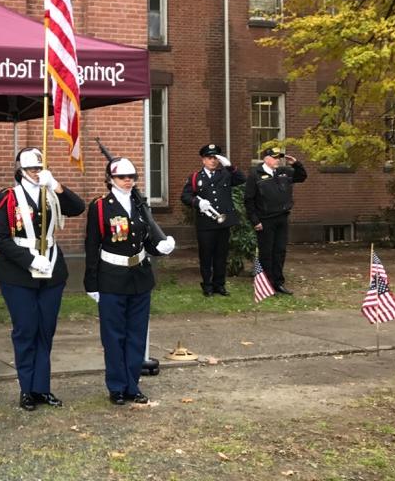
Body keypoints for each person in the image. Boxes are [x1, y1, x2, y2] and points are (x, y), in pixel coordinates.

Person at [0, 147, 85, 411]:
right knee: (26, 330)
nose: (36, 173)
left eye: (39, 168)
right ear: (20, 170)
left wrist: (55, 184)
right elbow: (0, 239)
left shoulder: (49, 193)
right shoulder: (7, 197)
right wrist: (29, 259)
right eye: (31, 169)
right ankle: (26, 389)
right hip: (18, 273)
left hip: (52, 269)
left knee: (46, 329)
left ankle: (42, 387)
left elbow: (77, 208)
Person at [84, 156, 175, 405]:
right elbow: (91, 246)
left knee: (136, 335)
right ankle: (116, 386)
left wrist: (161, 247)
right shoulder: (100, 206)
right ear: (110, 179)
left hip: (140, 278)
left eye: (132, 177)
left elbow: (145, 240)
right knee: (114, 337)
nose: (128, 181)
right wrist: (91, 283)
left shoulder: (140, 204)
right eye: (122, 177)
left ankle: (132, 385)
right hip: (111, 278)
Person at [180, 143, 246, 297]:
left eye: (215, 158)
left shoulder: (225, 174)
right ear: (203, 160)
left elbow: (241, 179)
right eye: (210, 158)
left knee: (221, 255)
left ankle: (220, 285)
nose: (213, 161)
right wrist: (198, 203)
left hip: (223, 222)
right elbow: (185, 196)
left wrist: (229, 166)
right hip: (206, 223)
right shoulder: (196, 177)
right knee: (206, 255)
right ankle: (207, 286)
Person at [244, 147, 307, 295]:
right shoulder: (255, 175)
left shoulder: (283, 171)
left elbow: (302, 177)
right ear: (266, 159)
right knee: (266, 252)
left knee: (279, 251)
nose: (277, 160)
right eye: (274, 157)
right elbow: (249, 200)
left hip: (282, 217)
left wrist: (296, 164)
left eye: (279, 157)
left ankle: (278, 283)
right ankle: (267, 284)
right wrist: (255, 220)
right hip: (265, 220)